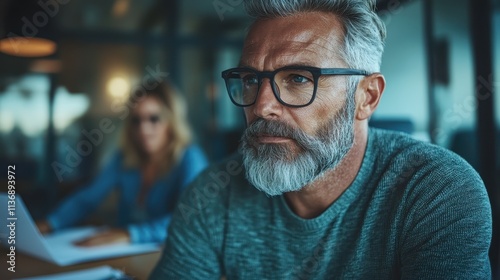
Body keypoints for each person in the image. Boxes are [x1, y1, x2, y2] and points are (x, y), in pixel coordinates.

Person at [150, 0, 492, 279]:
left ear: (367, 97)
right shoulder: (211, 196)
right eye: (251, 79)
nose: (262, 105)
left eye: (298, 78)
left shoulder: (436, 190)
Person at [36, 81, 208, 246]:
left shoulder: (190, 158)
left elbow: (189, 218)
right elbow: (87, 199)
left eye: (154, 119)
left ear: (172, 121)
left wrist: (130, 234)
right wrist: (50, 224)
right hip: (126, 257)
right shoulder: (124, 158)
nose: (144, 129)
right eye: (136, 120)